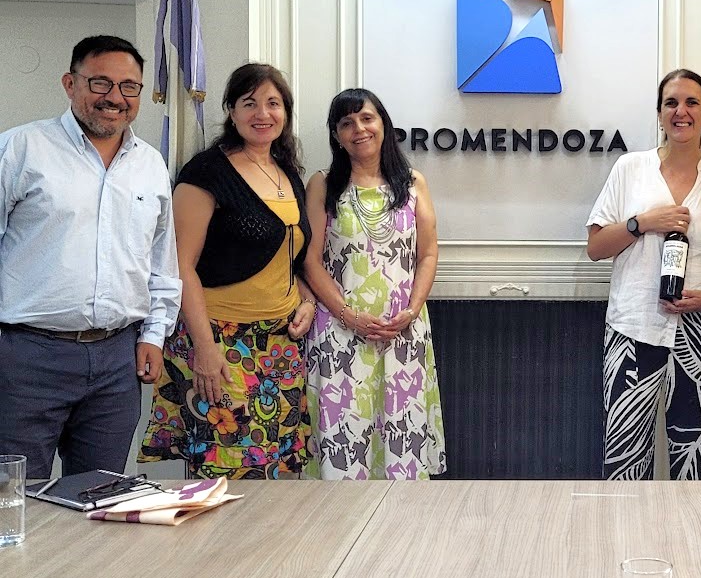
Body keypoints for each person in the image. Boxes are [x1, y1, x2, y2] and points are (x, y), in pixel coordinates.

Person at [0, 35, 179, 479]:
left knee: (99, 496)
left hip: (117, 361)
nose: (115, 97)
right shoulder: (21, 149)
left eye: (129, 86)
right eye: (101, 83)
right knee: (13, 495)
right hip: (27, 356)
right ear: (70, 83)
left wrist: (154, 334)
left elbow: (161, 263)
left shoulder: (150, 164)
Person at [140, 63, 314, 478]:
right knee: (229, 471)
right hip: (221, 342)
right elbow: (180, 265)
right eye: (249, 103)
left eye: (273, 104)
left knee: (279, 469)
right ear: (231, 111)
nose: (262, 113)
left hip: (279, 345)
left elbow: (288, 258)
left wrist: (306, 301)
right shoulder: (207, 172)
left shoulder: (288, 172)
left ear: (286, 113)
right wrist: (204, 348)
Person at [587, 69, 701, 480]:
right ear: (659, 114)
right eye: (671, 103)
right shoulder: (630, 168)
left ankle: (691, 529)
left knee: (696, 463)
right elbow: (596, 247)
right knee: (625, 463)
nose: (680, 111)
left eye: (691, 103)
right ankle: (627, 527)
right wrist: (643, 222)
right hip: (633, 329)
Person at [303, 89, 446, 480]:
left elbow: (428, 254)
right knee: (342, 449)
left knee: (402, 448)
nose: (359, 129)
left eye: (367, 118)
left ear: (383, 124)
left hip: (402, 334)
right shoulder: (323, 184)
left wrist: (411, 311)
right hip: (340, 337)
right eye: (346, 123)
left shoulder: (413, 183)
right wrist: (349, 315)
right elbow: (309, 260)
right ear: (336, 135)